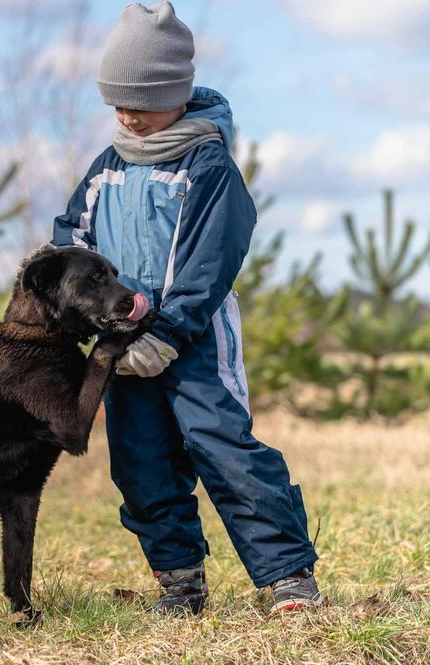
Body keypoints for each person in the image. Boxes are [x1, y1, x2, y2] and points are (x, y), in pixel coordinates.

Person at [49, 0, 322, 614]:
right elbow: (73, 240)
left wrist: (166, 333)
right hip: (121, 343)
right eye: (117, 101)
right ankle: (179, 581)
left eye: (141, 100)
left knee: (221, 447)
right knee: (140, 461)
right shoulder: (107, 168)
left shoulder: (208, 164)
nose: (127, 114)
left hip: (195, 338)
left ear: (176, 91)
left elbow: (209, 262)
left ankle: (286, 579)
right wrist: (80, 317)